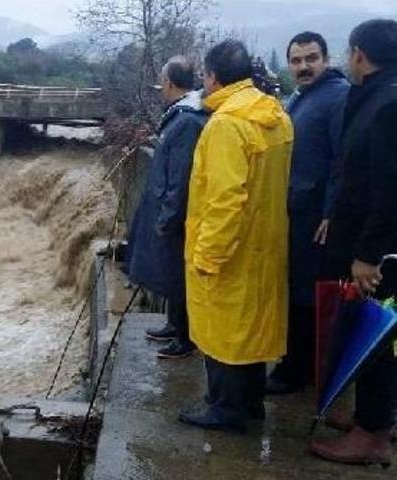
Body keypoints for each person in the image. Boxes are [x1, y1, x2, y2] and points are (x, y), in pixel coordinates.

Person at [178, 40, 293, 433]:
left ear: (212, 77)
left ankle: (226, 408)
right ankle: (250, 403)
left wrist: (208, 254)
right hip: (267, 243)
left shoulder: (227, 124)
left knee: (224, 331)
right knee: (252, 329)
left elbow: (226, 199)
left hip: (232, 248)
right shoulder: (275, 115)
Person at [309, 19, 397, 467]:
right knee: (372, 333)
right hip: (364, 240)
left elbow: (387, 190)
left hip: (378, 253)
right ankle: (371, 417)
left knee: (377, 338)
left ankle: (373, 433)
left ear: (359, 54)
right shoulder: (377, 96)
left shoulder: (388, 105)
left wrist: (367, 255)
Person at [267, 32, 350, 395]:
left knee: (307, 294)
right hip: (297, 211)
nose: (303, 66)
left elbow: (341, 160)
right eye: (297, 60)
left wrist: (332, 212)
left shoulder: (337, 98)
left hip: (316, 217)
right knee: (298, 289)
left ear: (326, 59)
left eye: (311, 58)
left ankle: (298, 372)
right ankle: (298, 366)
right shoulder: (300, 97)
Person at [127, 56, 208, 359]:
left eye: (162, 81)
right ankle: (174, 324)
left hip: (177, 214)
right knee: (172, 272)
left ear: (170, 83)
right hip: (169, 208)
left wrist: (169, 216)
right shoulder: (182, 113)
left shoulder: (187, 120)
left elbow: (182, 176)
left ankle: (185, 338)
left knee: (179, 274)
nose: (160, 86)